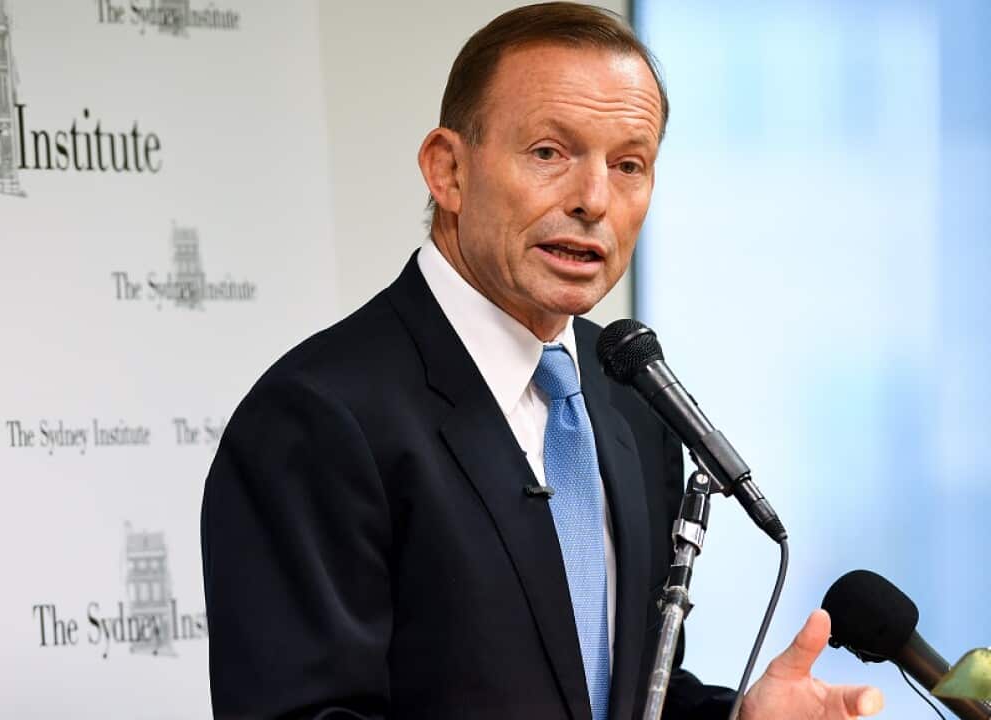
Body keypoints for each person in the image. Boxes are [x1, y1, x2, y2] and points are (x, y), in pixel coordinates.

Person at [201, 3, 885, 718]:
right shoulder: (317, 419)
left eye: (629, 165)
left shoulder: (631, 396)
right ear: (448, 171)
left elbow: (624, 696)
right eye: (549, 153)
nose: (594, 201)